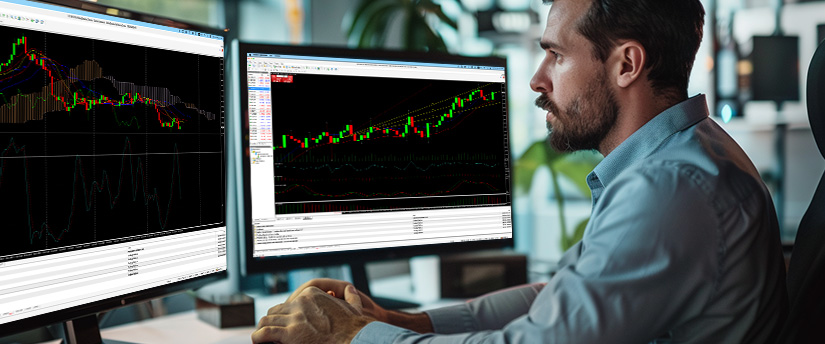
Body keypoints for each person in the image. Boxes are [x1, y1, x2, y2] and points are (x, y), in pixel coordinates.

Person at [252, 0, 788, 342]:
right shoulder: (686, 156)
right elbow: (561, 298)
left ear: (627, 64)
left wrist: (353, 338)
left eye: (555, 54)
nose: (536, 79)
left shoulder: (669, 189)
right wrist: (408, 321)